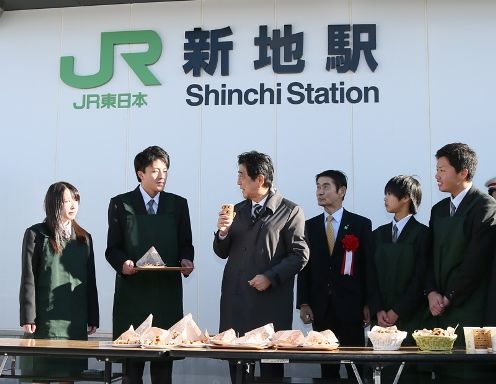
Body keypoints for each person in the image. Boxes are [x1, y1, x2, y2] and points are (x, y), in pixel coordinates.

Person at [214, 151, 309, 383]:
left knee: (270, 371)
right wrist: (222, 232)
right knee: (237, 369)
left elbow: (300, 255)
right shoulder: (237, 210)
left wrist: (270, 276)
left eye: (242, 176)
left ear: (260, 179)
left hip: (269, 306)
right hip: (236, 303)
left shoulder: (289, 211)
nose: (238, 182)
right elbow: (221, 251)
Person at [106, 146, 194, 384]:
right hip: (132, 293)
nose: (161, 176)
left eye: (165, 170)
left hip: (166, 293)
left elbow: (186, 243)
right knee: (131, 368)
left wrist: (187, 260)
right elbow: (112, 248)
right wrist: (122, 263)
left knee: (163, 366)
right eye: (155, 171)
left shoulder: (178, 204)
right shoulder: (120, 203)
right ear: (140, 173)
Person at [425, 143, 496, 382]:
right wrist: (432, 291)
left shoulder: (484, 206)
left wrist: (450, 295)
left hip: (472, 308)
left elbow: (476, 261)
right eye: (437, 169)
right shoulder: (438, 210)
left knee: (471, 372)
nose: (437, 175)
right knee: (443, 371)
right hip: (440, 309)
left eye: (442, 169)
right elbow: (429, 257)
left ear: (463, 172)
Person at [19, 181, 99, 381]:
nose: (73, 205)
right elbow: (28, 276)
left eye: (76, 200)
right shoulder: (36, 234)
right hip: (45, 320)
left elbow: (90, 280)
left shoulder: (84, 238)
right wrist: (28, 316)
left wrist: (93, 316)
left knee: (67, 375)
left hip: (74, 320)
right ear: (54, 204)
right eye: (67, 201)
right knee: (40, 373)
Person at [297, 170, 372, 381]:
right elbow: (304, 268)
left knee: (356, 367)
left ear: (342, 191)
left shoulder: (360, 224)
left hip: (351, 307)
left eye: (326, 187)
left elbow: (367, 268)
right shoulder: (309, 226)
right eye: (318, 187)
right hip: (320, 309)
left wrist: (368, 303)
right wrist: (304, 303)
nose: (320, 192)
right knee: (327, 368)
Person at [367, 176, 429, 383]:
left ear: (406, 198)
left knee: (407, 374)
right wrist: (378, 309)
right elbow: (370, 275)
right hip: (380, 319)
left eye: (390, 194)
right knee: (379, 372)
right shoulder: (377, 234)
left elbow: (421, 278)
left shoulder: (423, 234)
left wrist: (397, 311)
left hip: (411, 318)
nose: (385, 198)